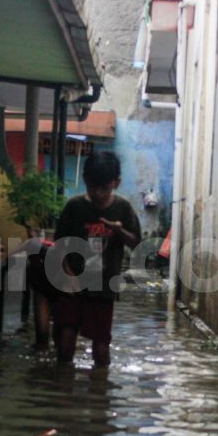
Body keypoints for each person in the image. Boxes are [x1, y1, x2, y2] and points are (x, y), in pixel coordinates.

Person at [51, 151, 141, 367]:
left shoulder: (123, 208)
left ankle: (100, 393)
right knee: (65, 344)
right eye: (92, 187)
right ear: (85, 181)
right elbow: (59, 245)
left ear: (116, 183)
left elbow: (137, 244)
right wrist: (68, 274)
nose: (98, 193)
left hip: (104, 288)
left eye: (104, 188)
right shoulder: (74, 207)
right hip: (72, 286)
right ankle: (63, 390)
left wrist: (119, 231)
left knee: (101, 350)